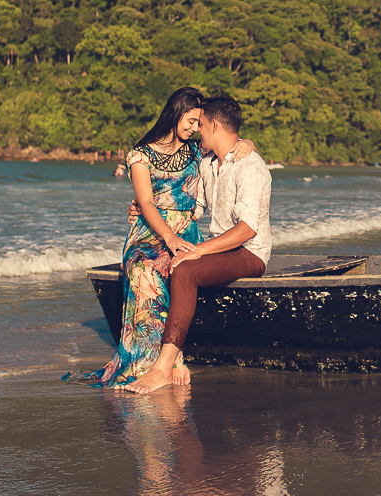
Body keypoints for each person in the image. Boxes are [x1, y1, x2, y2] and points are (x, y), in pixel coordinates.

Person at [69, 87, 255, 389]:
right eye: (191, 121)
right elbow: (145, 203)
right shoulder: (141, 154)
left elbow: (227, 142)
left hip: (186, 229)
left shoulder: (197, 150)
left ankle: (170, 359)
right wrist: (167, 237)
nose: (195, 128)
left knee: (178, 268)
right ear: (176, 112)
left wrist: (248, 142)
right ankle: (150, 363)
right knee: (143, 270)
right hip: (149, 231)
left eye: (199, 123)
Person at [123, 94, 272, 394]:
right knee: (177, 263)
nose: (197, 130)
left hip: (249, 253)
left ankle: (164, 367)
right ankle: (157, 356)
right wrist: (149, 211)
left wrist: (200, 250)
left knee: (186, 269)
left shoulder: (250, 167)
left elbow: (248, 230)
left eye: (201, 125)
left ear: (214, 126)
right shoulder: (207, 163)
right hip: (220, 248)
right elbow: (197, 207)